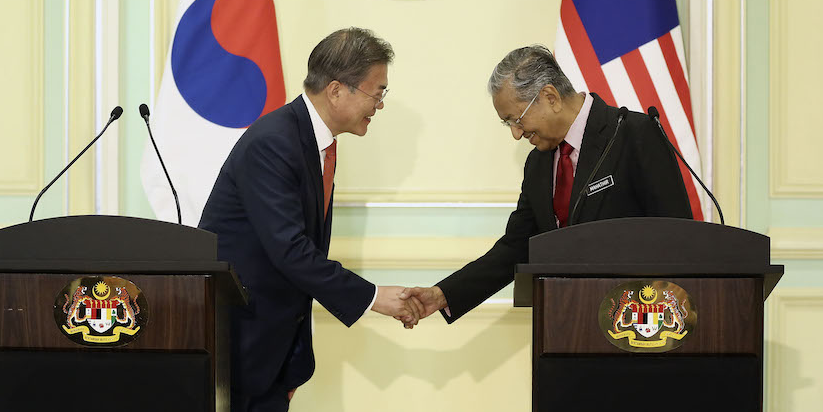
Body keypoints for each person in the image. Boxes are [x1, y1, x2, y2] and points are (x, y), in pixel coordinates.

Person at [199, 27, 418, 412]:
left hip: (274, 348)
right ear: (336, 90)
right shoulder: (275, 142)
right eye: (376, 92)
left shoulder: (313, 141)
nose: (379, 105)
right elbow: (291, 250)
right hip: (237, 346)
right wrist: (373, 297)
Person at [401, 44, 693, 323]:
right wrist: (443, 295)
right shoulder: (539, 163)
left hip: (638, 324)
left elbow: (676, 236)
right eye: (508, 124)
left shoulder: (633, 134)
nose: (516, 134)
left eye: (516, 119)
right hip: (564, 323)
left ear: (550, 97)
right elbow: (517, 247)